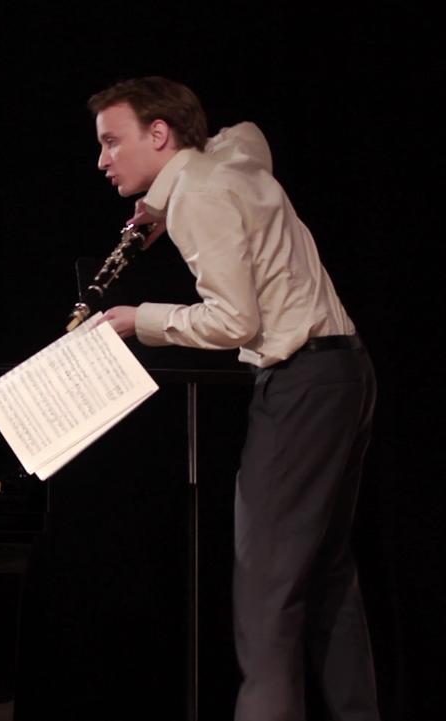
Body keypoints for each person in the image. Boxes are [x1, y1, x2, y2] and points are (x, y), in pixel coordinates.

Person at [90, 77, 380, 720]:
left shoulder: (200, 192)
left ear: (158, 134)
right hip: (343, 373)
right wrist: (158, 205)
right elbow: (245, 133)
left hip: (301, 382)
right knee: (326, 577)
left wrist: (141, 319)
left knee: (265, 593)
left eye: (112, 142)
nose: (102, 160)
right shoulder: (233, 161)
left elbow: (233, 322)